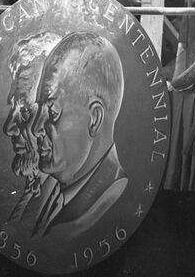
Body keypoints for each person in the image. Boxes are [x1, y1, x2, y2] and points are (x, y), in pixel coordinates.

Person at [30, 32, 127, 238]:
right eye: (39, 111)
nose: (36, 128)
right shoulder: (49, 190)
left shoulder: (108, 199)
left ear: (95, 119)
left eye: (52, 113)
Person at [3, 32, 62, 223]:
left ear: (54, 112)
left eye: (25, 111)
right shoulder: (37, 190)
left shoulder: (63, 199)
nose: (9, 128)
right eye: (14, 107)